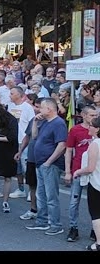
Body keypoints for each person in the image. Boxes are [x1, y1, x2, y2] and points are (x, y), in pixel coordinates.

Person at [26, 98, 67, 236]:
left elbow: (62, 145)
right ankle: (42, 221)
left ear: (49, 109)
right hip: (41, 163)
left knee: (51, 196)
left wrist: (49, 161)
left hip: (50, 164)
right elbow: (35, 136)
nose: (39, 110)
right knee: (41, 194)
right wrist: (35, 122)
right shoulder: (44, 122)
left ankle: (56, 224)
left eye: (42, 108)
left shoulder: (58, 123)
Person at [64, 105, 98, 242]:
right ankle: (73, 228)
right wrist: (68, 171)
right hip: (79, 170)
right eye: (91, 115)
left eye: (96, 115)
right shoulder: (75, 130)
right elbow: (68, 150)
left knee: (95, 202)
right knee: (74, 201)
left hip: (94, 172)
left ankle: (95, 229)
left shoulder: (97, 131)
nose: (94, 118)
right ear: (84, 115)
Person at [73, 116, 100, 250]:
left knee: (96, 213)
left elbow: (90, 168)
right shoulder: (94, 142)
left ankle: (99, 242)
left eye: (91, 126)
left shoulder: (96, 144)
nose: (89, 127)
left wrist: (78, 171)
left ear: (97, 129)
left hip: (96, 182)